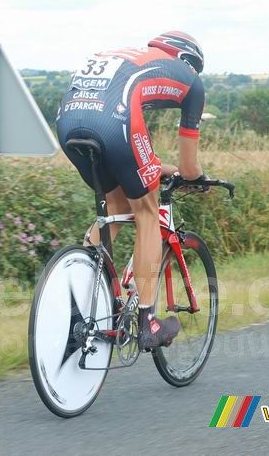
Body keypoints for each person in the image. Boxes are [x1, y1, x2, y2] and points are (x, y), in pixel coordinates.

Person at [56, 31, 206, 349]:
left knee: (116, 206)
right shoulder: (191, 81)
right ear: (190, 62)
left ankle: (84, 296)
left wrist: (156, 166)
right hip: (115, 123)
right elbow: (190, 169)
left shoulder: (131, 57)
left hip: (69, 121)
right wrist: (195, 177)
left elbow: (136, 154)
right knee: (147, 212)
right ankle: (149, 322)